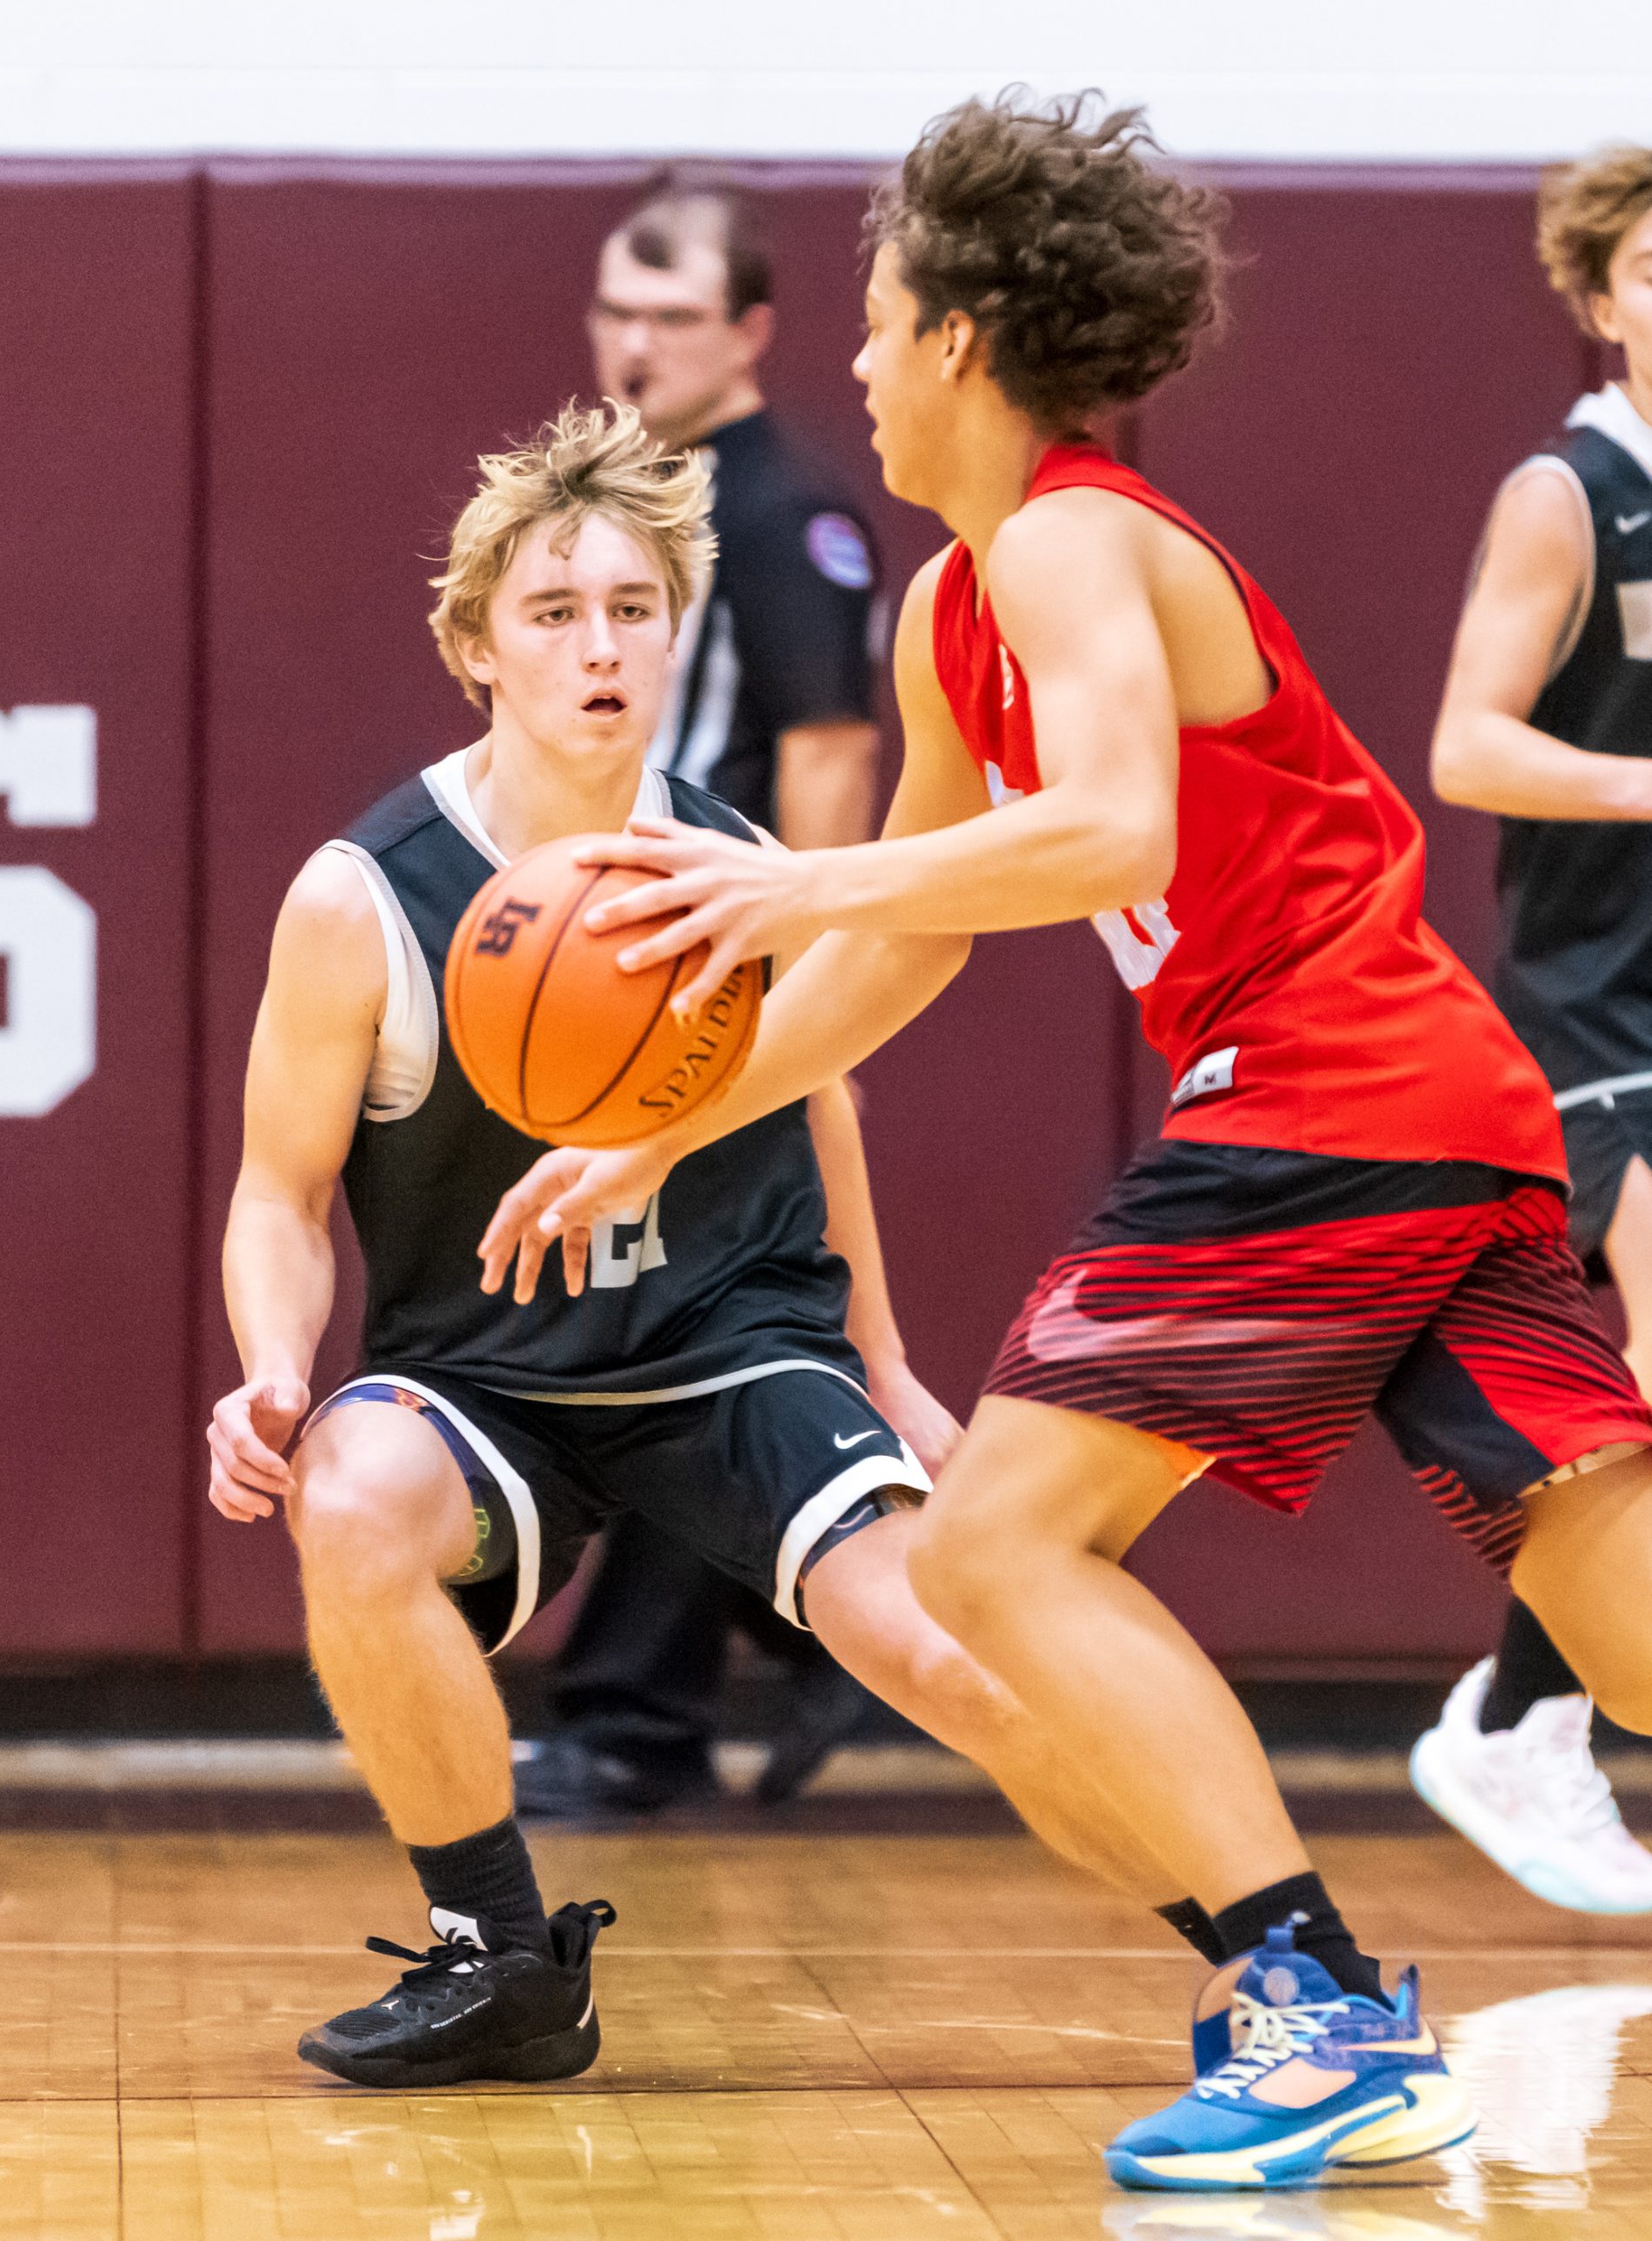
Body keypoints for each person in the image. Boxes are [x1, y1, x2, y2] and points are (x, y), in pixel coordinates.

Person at [481, 95, 1652, 2193]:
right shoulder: (955, 604)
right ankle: (1319, 2014)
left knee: (995, 1549)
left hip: (1321, 1087)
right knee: (1613, 1588)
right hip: (1434, 1098)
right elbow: (915, 938)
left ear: (957, 335)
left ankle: (1320, 2020)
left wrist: (791, 883)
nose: (854, 361)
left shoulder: (1069, 537)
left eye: (874, 319)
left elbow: (1109, 828)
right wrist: (668, 1124)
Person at [206, 401, 1178, 2092]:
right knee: (347, 1500)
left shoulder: (739, 870)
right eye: (553, 612)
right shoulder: (362, 898)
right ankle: (500, 1959)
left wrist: (884, 1366)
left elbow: (825, 1104)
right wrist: (275, 1373)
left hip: (734, 1348)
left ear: (676, 635)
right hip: (486, 1374)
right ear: (476, 648)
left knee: (951, 1651)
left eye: (632, 609)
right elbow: (277, 1195)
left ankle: (1280, 1958)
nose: (599, 647)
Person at [517, 178, 889, 1819]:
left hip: (719, 966)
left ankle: (637, 1718)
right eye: (616, 309)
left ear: (748, 333)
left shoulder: (782, 512)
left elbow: (829, 756)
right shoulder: (624, 503)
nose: (635, 343)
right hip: (610, 958)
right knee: (639, 1311)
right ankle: (813, 1631)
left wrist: (813, 991)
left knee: (677, 1325)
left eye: (672, 316)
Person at [1411, 147, 1652, 1915]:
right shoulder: (1567, 494)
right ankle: (1523, 1709)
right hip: (1600, 1002)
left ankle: (1527, 1705)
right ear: (1598, 296)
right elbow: (1467, 745)